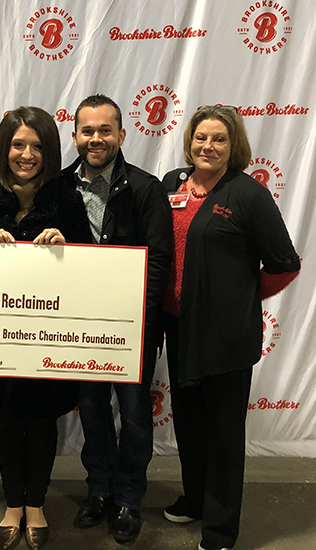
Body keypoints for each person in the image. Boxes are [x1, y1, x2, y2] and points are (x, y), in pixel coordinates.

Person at [160, 105, 300, 550]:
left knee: (223, 435)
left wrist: (239, 298)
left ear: (233, 145)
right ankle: (197, 499)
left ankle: (220, 528)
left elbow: (284, 262)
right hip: (180, 329)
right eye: (201, 137)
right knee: (189, 424)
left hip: (226, 337)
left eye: (219, 139)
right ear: (190, 141)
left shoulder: (249, 194)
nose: (208, 146)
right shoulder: (172, 185)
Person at [0, 106, 92, 550]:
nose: (27, 154)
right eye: (18, 144)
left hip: (48, 341)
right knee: (4, 422)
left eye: (36, 146)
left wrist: (66, 247)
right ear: (4, 147)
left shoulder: (67, 199)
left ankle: (35, 504)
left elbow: (91, 270)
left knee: (40, 425)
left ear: (49, 151)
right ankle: (12, 503)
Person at [61, 94, 172, 545]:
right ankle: (99, 490)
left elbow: (160, 263)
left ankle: (129, 497)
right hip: (80, 328)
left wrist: (133, 321)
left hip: (133, 330)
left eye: (105, 130)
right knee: (91, 410)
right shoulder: (59, 186)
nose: (96, 139)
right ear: (75, 135)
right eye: (87, 130)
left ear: (122, 135)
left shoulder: (146, 189)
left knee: (134, 414)